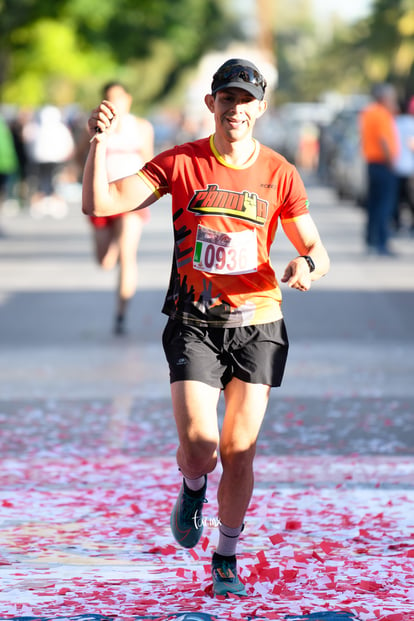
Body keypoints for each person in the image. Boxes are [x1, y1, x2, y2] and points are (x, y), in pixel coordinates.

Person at [82, 58, 330, 597]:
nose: (235, 108)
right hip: (193, 321)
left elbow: (316, 249)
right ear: (210, 103)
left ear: (260, 109)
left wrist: (305, 266)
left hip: (259, 321)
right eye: (226, 97)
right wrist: (98, 145)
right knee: (200, 445)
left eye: (246, 100)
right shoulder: (181, 163)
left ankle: (226, 556)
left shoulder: (280, 172)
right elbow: (99, 202)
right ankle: (193, 485)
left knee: (240, 450)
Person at [86, 82, 154, 335]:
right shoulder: (96, 123)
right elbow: (82, 152)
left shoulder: (141, 127)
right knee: (104, 261)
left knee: (128, 256)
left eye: (118, 98)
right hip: (102, 197)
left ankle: (120, 315)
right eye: (109, 99)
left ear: (128, 99)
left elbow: (149, 161)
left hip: (131, 200)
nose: (115, 103)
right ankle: (113, 239)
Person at [359, 82, 400, 256]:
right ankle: (382, 242)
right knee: (385, 204)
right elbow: (384, 140)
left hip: (371, 163)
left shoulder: (368, 112)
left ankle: (371, 240)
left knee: (374, 204)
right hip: (383, 164)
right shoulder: (382, 114)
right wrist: (390, 161)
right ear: (384, 97)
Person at [393, 95, 414, 233]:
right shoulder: (410, 123)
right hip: (408, 167)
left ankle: (397, 224)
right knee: (409, 199)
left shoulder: (394, 122)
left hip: (395, 166)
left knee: (397, 199)